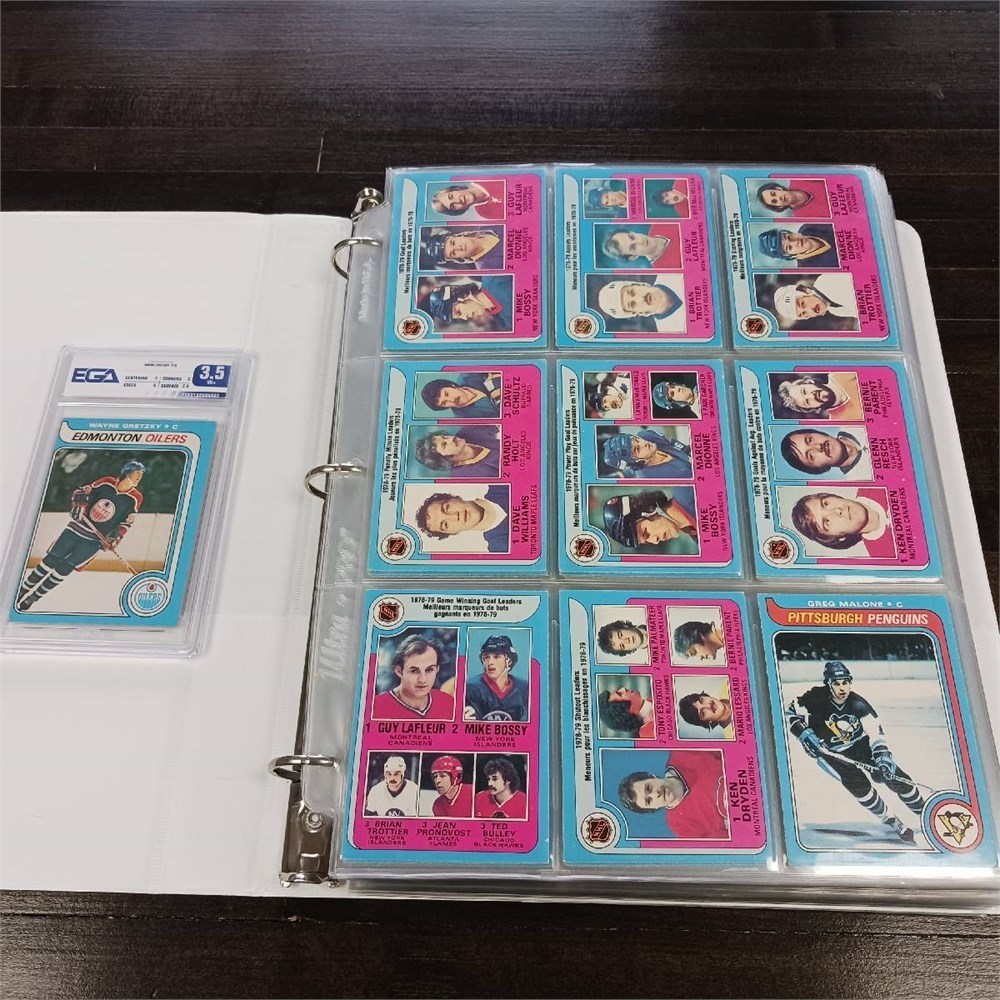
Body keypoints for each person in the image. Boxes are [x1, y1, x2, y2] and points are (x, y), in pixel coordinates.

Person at [785, 660, 927, 842]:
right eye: (836, 683)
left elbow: (875, 732)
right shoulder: (814, 698)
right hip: (832, 754)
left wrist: (883, 758)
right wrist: (804, 734)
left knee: (895, 776)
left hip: (860, 746)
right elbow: (791, 712)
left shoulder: (858, 703)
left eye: (845, 682)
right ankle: (891, 819)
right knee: (860, 787)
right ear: (828, 684)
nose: (842, 688)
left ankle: (926, 813)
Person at [16, 460, 145, 612]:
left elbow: (126, 523)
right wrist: (79, 505)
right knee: (50, 560)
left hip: (93, 542)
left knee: (64, 569)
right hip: (75, 530)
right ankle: (23, 590)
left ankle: (33, 598)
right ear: (127, 473)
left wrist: (115, 538)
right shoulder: (107, 482)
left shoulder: (135, 498)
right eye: (137, 474)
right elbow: (82, 492)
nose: (139, 478)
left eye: (141, 476)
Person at [618, 750, 728, 839]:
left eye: (649, 788)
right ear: (653, 808)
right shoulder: (681, 827)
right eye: (649, 800)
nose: (656, 794)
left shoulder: (683, 753)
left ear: (652, 776)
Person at [371, 633, 455, 719]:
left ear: (437, 669)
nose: (422, 680)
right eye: (414, 671)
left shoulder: (448, 703)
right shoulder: (376, 707)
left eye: (429, 670)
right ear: (399, 671)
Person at [598, 488, 699, 553]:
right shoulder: (697, 537)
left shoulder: (691, 492)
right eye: (647, 541)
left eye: (646, 533)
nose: (655, 541)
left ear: (649, 509)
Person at [413, 485, 509, 552]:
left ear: (454, 498)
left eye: (447, 507)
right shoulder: (499, 547)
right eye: (446, 524)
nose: (455, 516)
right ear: (453, 533)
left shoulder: (499, 485)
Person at [790, 490, 890, 551]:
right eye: (827, 521)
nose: (837, 510)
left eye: (826, 504)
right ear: (838, 538)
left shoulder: (873, 482)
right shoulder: (883, 555)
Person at [464, 634, 529, 722]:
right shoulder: (472, 689)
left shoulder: (524, 688)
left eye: (497, 657)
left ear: (509, 661)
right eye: (486, 657)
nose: (490, 662)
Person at [589, 276, 684, 332]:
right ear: (638, 313)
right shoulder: (671, 331)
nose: (641, 299)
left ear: (639, 284)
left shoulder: (672, 273)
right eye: (632, 304)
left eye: (632, 292)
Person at [769, 273, 858, 328]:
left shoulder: (827, 282)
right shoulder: (834, 310)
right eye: (804, 314)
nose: (810, 310)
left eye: (803, 304)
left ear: (806, 291)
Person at [417, 278, 509, 331]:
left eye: (459, 312)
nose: (465, 318)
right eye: (460, 317)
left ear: (461, 296)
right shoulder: (503, 322)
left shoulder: (495, 280)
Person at [414, 425, 500, 478]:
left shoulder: (467, 431)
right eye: (444, 445)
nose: (450, 439)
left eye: (444, 437)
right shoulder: (464, 476)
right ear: (443, 459)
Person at [601, 429, 692, 479]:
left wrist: (689, 450)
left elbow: (674, 444)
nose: (643, 443)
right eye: (637, 449)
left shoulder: (646, 436)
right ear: (635, 461)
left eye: (636, 439)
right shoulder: (653, 479)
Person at [771, 372, 860, 421]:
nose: (811, 396)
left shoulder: (842, 372)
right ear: (813, 409)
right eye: (807, 402)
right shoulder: (841, 421)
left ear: (810, 382)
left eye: (804, 391)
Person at [780, 428, 867, 476]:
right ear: (820, 469)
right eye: (811, 455)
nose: (818, 447)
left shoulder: (852, 420)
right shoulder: (858, 479)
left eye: (810, 440)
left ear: (819, 433)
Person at [421, 371, 502, 417]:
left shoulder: (469, 374)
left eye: (447, 393)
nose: (452, 400)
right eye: (444, 403)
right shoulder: (465, 418)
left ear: (452, 385)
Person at [419, 228, 503, 270]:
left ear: (457, 236)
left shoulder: (486, 226)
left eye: (453, 243)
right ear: (458, 259)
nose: (458, 248)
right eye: (453, 253)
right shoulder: (486, 267)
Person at [756, 226, 838, 268]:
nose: (795, 242)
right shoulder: (809, 269)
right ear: (789, 256)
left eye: (789, 237)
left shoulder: (809, 226)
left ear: (793, 233)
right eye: (789, 247)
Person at [599, 225, 677, 268]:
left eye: (632, 237)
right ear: (633, 257)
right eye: (633, 247)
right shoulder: (663, 268)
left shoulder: (659, 225)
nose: (640, 241)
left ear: (632, 232)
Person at [430, 180, 505, 219]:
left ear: (456, 189)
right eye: (453, 206)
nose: (457, 201)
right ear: (459, 211)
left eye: (451, 196)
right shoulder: (484, 213)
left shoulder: (482, 176)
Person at [754, 180, 823, 215]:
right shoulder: (802, 216)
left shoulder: (799, 179)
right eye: (774, 201)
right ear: (779, 207)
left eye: (774, 194)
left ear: (778, 188)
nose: (779, 198)